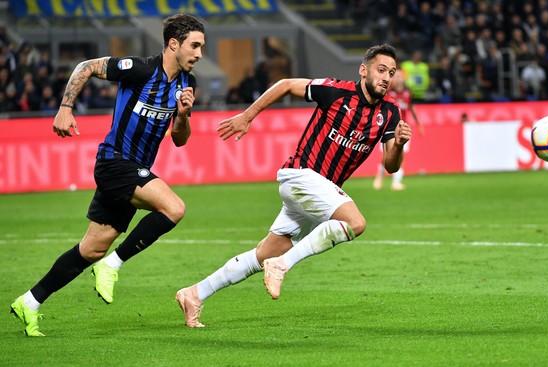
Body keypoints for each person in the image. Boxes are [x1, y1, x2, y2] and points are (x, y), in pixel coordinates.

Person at [175, 44, 412, 328]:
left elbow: (390, 165)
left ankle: (195, 294)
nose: (386, 77)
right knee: (355, 223)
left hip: (316, 192)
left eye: (391, 73)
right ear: (364, 70)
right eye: (381, 70)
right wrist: (247, 116)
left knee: (262, 254)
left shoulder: (390, 113)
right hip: (301, 175)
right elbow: (286, 84)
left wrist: (398, 144)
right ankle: (282, 265)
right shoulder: (336, 91)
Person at [10, 14, 205, 337]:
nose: (199, 53)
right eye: (194, 46)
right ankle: (113, 265)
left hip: (134, 171)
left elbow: (179, 138)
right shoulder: (141, 69)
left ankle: (29, 302)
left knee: (91, 249)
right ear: (174, 44)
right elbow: (86, 66)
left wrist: (183, 115)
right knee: (174, 208)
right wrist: (65, 107)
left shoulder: (188, 84)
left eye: (201, 47)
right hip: (115, 162)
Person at [373, 68, 423, 190]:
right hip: (389, 127)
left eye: (400, 76)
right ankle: (379, 177)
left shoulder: (408, 93)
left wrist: (419, 124)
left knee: (401, 155)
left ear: (404, 78)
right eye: (396, 76)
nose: (398, 79)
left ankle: (396, 181)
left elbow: (411, 108)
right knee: (386, 155)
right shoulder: (388, 92)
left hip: (403, 128)